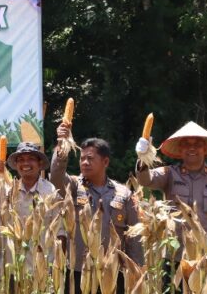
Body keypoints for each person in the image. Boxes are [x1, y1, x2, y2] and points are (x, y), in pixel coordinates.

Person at [51, 120, 143, 292]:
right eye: (82, 158)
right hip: (78, 271)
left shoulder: (124, 194)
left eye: (90, 158)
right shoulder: (73, 187)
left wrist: (136, 269)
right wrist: (62, 145)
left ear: (105, 162)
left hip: (113, 272)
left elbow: (134, 236)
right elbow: (56, 177)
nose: (85, 162)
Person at [135, 121, 207, 254]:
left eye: (197, 144)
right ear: (180, 150)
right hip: (176, 255)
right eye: (186, 144)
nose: (192, 148)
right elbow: (145, 180)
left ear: (205, 148)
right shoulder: (169, 173)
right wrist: (143, 158)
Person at [0, 141, 57, 218]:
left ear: (39, 163)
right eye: (21, 159)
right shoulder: (8, 191)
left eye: (31, 159)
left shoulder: (50, 191)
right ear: (16, 164)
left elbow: (58, 223)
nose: (25, 163)